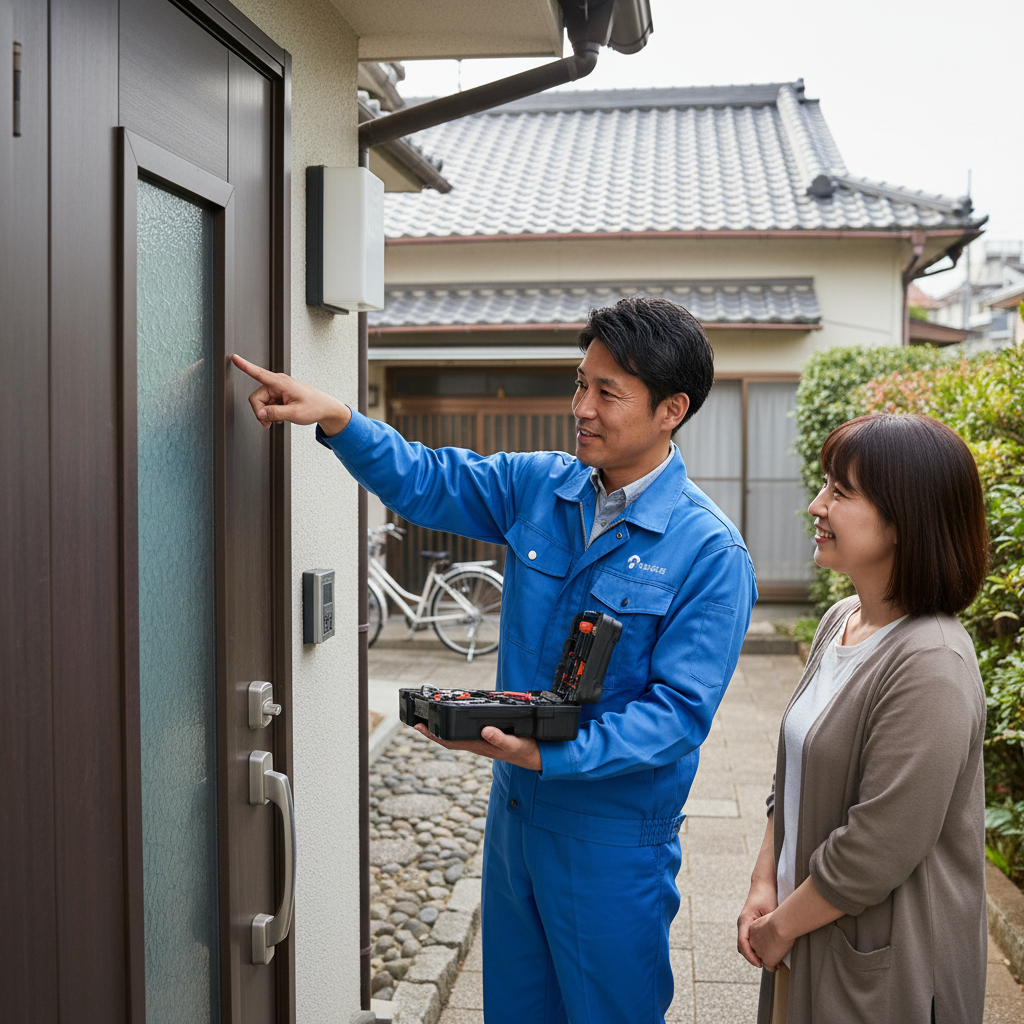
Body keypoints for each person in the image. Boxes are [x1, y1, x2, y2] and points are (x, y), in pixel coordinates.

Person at [233, 296, 757, 1024]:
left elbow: (676, 718)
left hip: (609, 837)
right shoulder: (539, 485)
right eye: (581, 383)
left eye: (608, 392)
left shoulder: (708, 552)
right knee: (515, 1010)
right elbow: (427, 479)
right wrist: (338, 419)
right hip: (515, 815)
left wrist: (553, 759)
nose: (583, 406)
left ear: (671, 409)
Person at [736, 413, 989, 1024]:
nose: (817, 506)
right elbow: (791, 773)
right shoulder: (841, 619)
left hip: (884, 968)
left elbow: (878, 846)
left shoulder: (931, 661)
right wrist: (763, 878)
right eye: (825, 485)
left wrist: (779, 930)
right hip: (806, 932)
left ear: (906, 520)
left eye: (841, 492)